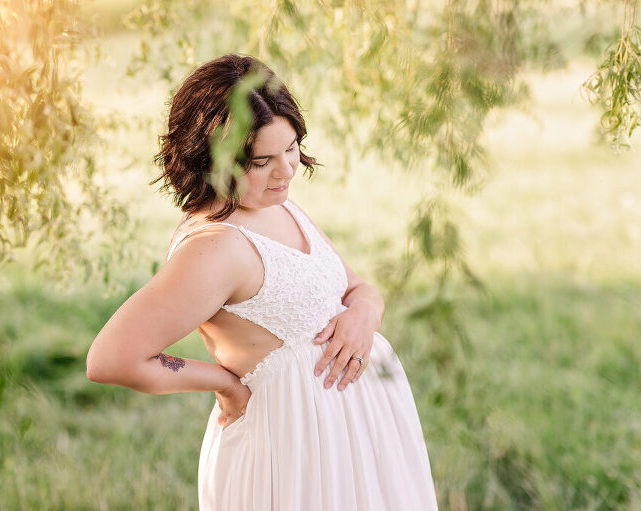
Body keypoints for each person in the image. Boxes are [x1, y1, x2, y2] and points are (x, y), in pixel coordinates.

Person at [86, 54, 439, 510]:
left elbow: (355, 288)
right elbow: (112, 358)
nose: (286, 170)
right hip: (295, 452)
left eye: (291, 148)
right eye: (261, 161)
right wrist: (226, 385)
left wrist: (365, 314)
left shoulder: (278, 205)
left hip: (361, 437)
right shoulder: (216, 248)